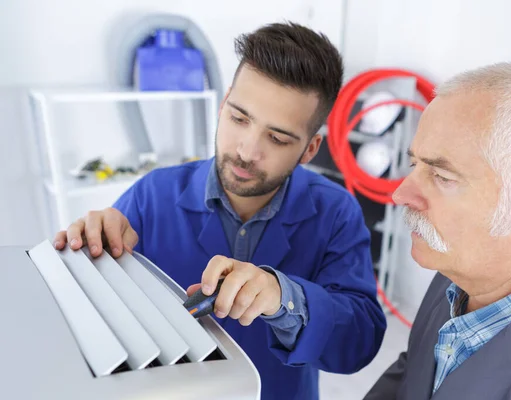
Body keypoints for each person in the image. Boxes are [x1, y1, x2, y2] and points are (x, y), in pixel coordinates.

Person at [54, 22, 387, 400]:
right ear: (224, 102)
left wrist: (284, 299)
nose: (246, 150)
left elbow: (360, 343)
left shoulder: (336, 212)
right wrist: (92, 252)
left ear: (310, 149)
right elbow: (95, 318)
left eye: (277, 138)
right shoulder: (153, 193)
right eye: (239, 118)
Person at [364, 62, 511, 399]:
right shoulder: (460, 269)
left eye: (442, 177)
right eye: (415, 164)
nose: (401, 194)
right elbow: (415, 374)